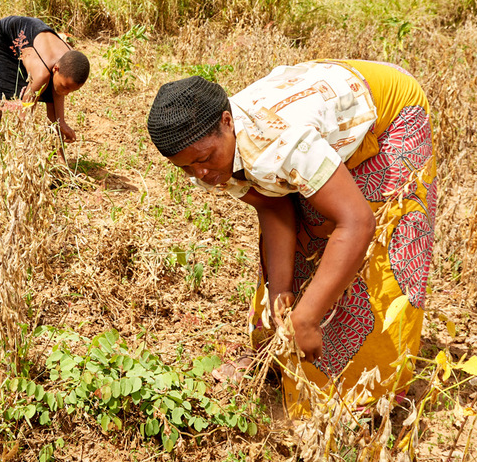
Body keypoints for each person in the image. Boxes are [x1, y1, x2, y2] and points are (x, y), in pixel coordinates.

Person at [146, 61, 436, 404]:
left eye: (206, 158)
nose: (202, 173)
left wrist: (309, 316)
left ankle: (371, 396)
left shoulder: (278, 142)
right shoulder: (207, 156)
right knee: (309, 234)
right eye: (186, 166)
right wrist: (281, 292)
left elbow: (357, 223)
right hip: (305, 125)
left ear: (228, 122)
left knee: (375, 258)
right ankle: (275, 356)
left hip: (387, 111)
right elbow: (274, 205)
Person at [0, 15, 90, 155]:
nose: (65, 93)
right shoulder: (42, 74)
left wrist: (61, 123)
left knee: (52, 100)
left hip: (34, 42)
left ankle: (61, 161)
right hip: (6, 38)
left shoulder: (67, 62)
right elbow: (24, 114)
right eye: (65, 87)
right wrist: (28, 152)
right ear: (55, 69)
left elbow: (56, 105)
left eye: (71, 91)